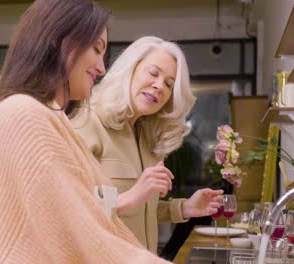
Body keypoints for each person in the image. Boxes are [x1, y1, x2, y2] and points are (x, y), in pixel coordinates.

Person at [0, 0, 173, 263]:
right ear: (58, 40)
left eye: (169, 83)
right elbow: (81, 231)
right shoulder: (23, 114)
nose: (101, 68)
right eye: (96, 50)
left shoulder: (50, 116)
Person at [71, 36, 223, 254]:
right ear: (129, 71)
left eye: (169, 84)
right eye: (153, 73)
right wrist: (131, 198)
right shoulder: (87, 121)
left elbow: (141, 209)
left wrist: (185, 207)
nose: (159, 86)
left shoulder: (145, 136)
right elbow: (68, 209)